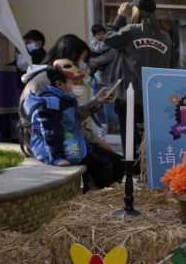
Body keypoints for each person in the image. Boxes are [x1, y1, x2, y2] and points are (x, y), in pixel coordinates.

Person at [23, 59, 119, 190]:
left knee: (112, 162)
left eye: (80, 82)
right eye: (75, 82)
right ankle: (106, 195)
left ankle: (106, 193)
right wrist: (57, 157)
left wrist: (97, 100)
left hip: (69, 143)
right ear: (59, 84)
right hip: (53, 149)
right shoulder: (51, 104)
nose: (79, 85)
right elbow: (50, 132)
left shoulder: (65, 99)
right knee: (103, 165)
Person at [105, 0, 173, 174]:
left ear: (134, 11)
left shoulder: (131, 31)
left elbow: (108, 39)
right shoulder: (165, 37)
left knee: (130, 144)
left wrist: (120, 17)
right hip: (153, 98)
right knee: (148, 142)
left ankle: (132, 179)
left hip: (129, 96)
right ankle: (148, 176)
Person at [18, 34, 115, 159]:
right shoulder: (50, 80)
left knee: (108, 160)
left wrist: (96, 101)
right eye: (84, 59)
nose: (84, 64)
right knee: (108, 162)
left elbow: (67, 115)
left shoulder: (50, 76)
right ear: (72, 56)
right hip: (47, 145)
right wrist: (98, 141)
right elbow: (62, 123)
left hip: (47, 138)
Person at [89, 23, 119, 134]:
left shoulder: (112, 47)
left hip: (108, 83)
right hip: (97, 83)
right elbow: (89, 60)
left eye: (103, 34)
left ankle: (127, 128)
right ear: (94, 35)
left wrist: (94, 61)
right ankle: (102, 135)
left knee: (109, 112)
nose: (102, 36)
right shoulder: (93, 46)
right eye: (99, 34)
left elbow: (103, 59)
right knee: (97, 111)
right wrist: (93, 61)